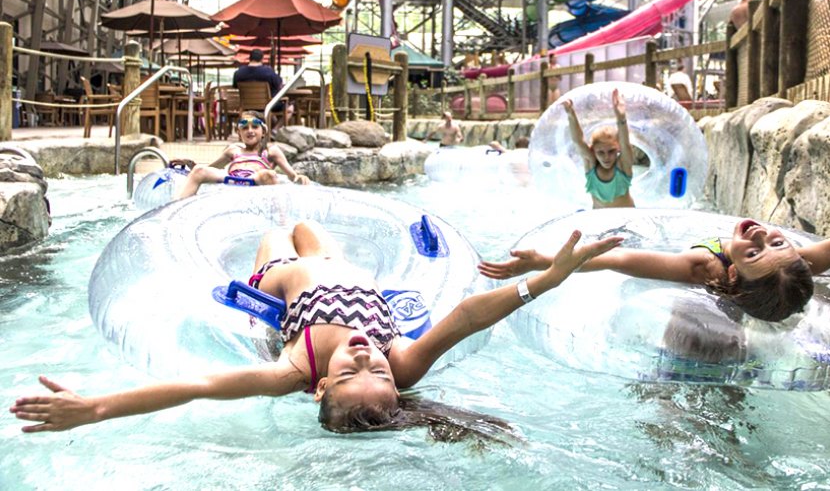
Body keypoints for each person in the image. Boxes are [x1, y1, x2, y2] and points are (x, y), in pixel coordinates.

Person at [10, 222, 622, 434]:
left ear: (321, 388)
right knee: (306, 218)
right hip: (343, 270)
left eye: (350, 370)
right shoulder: (402, 364)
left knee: (273, 236)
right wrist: (546, 282)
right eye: (375, 366)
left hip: (283, 286)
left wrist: (96, 408)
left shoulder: (292, 369)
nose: (363, 354)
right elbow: (464, 316)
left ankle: (266, 228)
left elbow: (199, 387)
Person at [479, 210, 830, 323]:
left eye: (753, 251)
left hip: (704, 313)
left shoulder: (700, 269)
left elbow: (617, 261)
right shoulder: (798, 261)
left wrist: (547, 262)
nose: (758, 234)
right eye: (775, 240)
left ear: (730, 273)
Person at [175, 110, 309, 199]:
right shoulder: (233, 150)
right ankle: (174, 207)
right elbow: (211, 168)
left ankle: (280, 219)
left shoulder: (270, 151)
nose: (249, 131)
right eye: (244, 128)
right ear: (239, 133)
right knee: (199, 170)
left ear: (264, 132)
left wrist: (298, 177)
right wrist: (191, 165)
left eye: (255, 127)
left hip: (255, 179)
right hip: (232, 178)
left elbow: (292, 175)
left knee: (269, 174)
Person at [565, 88, 635, 208]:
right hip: (599, 221)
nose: (606, 157)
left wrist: (621, 117)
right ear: (592, 150)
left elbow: (625, 144)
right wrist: (571, 114)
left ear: (618, 148)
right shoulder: (591, 167)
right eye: (600, 152)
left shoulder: (623, 166)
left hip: (625, 220)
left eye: (611, 151)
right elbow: (578, 141)